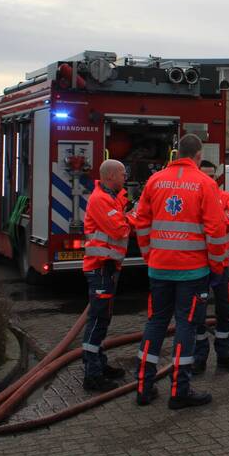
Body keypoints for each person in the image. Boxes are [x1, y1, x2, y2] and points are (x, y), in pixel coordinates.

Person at [133, 134, 227, 409]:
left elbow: (141, 222)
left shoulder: (155, 180)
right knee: (186, 325)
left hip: (159, 268)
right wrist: (217, 264)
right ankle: (179, 390)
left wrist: (149, 255)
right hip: (192, 271)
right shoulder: (204, 184)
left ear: (177, 154)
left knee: (155, 323)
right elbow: (216, 230)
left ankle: (143, 387)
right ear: (198, 156)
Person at [80, 159, 132, 392]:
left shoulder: (110, 198)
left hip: (108, 267)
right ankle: (92, 374)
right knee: (98, 320)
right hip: (100, 268)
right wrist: (134, 215)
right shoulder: (101, 200)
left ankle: (99, 364)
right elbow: (120, 229)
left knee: (103, 319)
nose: (125, 178)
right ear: (110, 176)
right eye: (122, 174)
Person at [192, 162, 229, 374]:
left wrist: (213, 218)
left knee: (224, 311)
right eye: (206, 175)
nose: (210, 179)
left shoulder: (225, 196)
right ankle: (200, 357)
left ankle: (224, 354)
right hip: (200, 265)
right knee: (198, 314)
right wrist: (216, 219)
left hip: (221, 264)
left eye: (213, 175)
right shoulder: (194, 197)